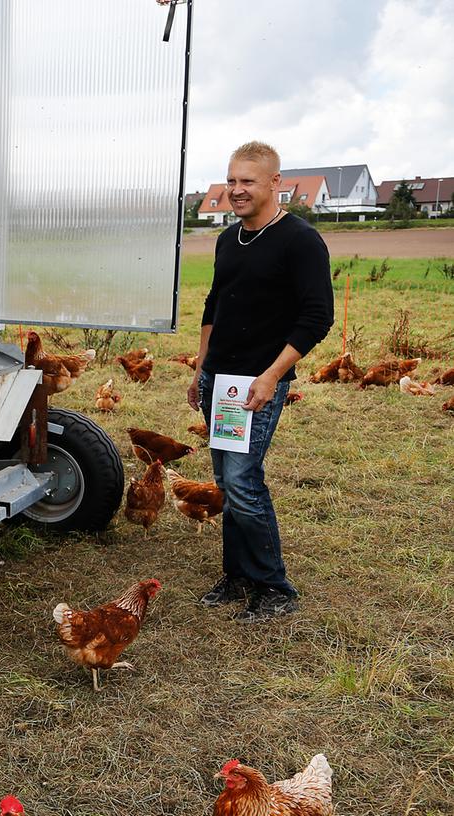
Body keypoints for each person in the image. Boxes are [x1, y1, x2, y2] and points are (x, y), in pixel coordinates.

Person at [186, 141, 333, 622]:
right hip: (221, 380)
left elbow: (317, 317)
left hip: (257, 384)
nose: (235, 190)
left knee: (244, 481)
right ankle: (238, 575)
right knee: (227, 482)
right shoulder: (229, 240)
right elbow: (214, 305)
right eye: (231, 180)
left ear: (275, 184)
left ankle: (275, 588)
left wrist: (273, 375)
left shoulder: (299, 241)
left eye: (247, 181)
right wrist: (200, 368)